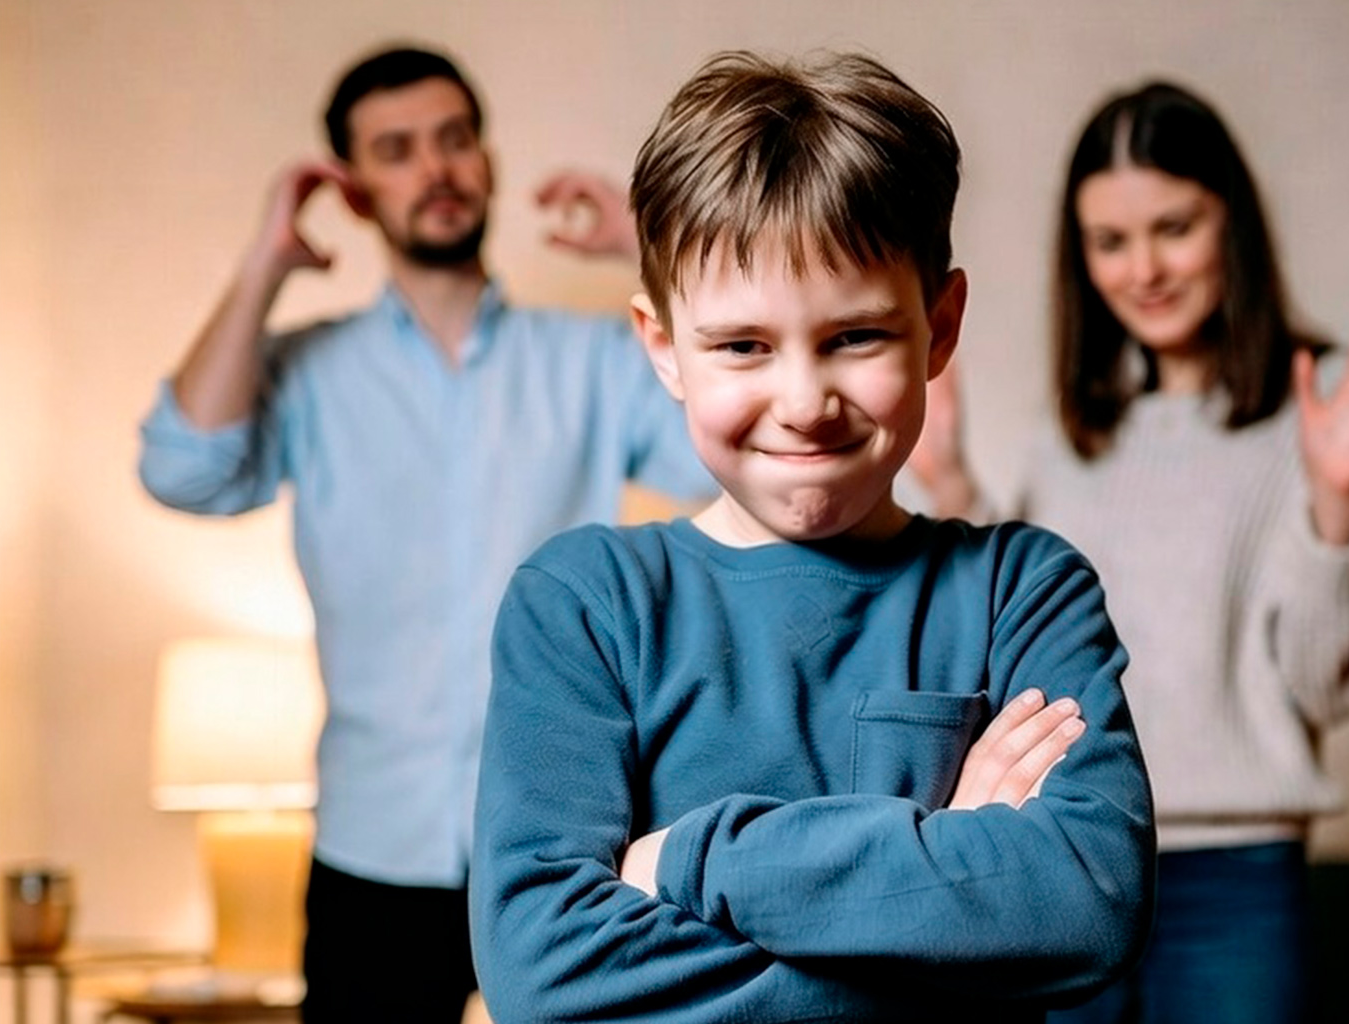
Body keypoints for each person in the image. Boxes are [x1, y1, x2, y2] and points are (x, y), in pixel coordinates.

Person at [469, 50, 1156, 1023]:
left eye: (856, 337)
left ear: (940, 326)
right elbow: (543, 975)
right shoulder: (584, 603)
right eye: (742, 346)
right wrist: (942, 886)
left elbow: (1086, 901)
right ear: (664, 348)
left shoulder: (1023, 590)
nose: (803, 402)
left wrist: (693, 860)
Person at [137, 45, 714, 1024]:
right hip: (372, 849)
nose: (435, 169)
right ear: (355, 192)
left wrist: (653, 247)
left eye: (454, 140)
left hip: (569, 838)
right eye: (396, 151)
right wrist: (264, 264)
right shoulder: (308, 373)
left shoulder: (594, 360)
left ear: (486, 160)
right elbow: (181, 470)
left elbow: (738, 454)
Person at [912, 81, 1349, 1023]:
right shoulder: (1072, 432)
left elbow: (1327, 685)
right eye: (1110, 241)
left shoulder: (1326, 413)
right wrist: (948, 480)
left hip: (1236, 872)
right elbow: (1020, 642)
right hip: (1066, 850)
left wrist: (1335, 498)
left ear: (1231, 222)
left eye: (1174, 228)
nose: (1145, 268)